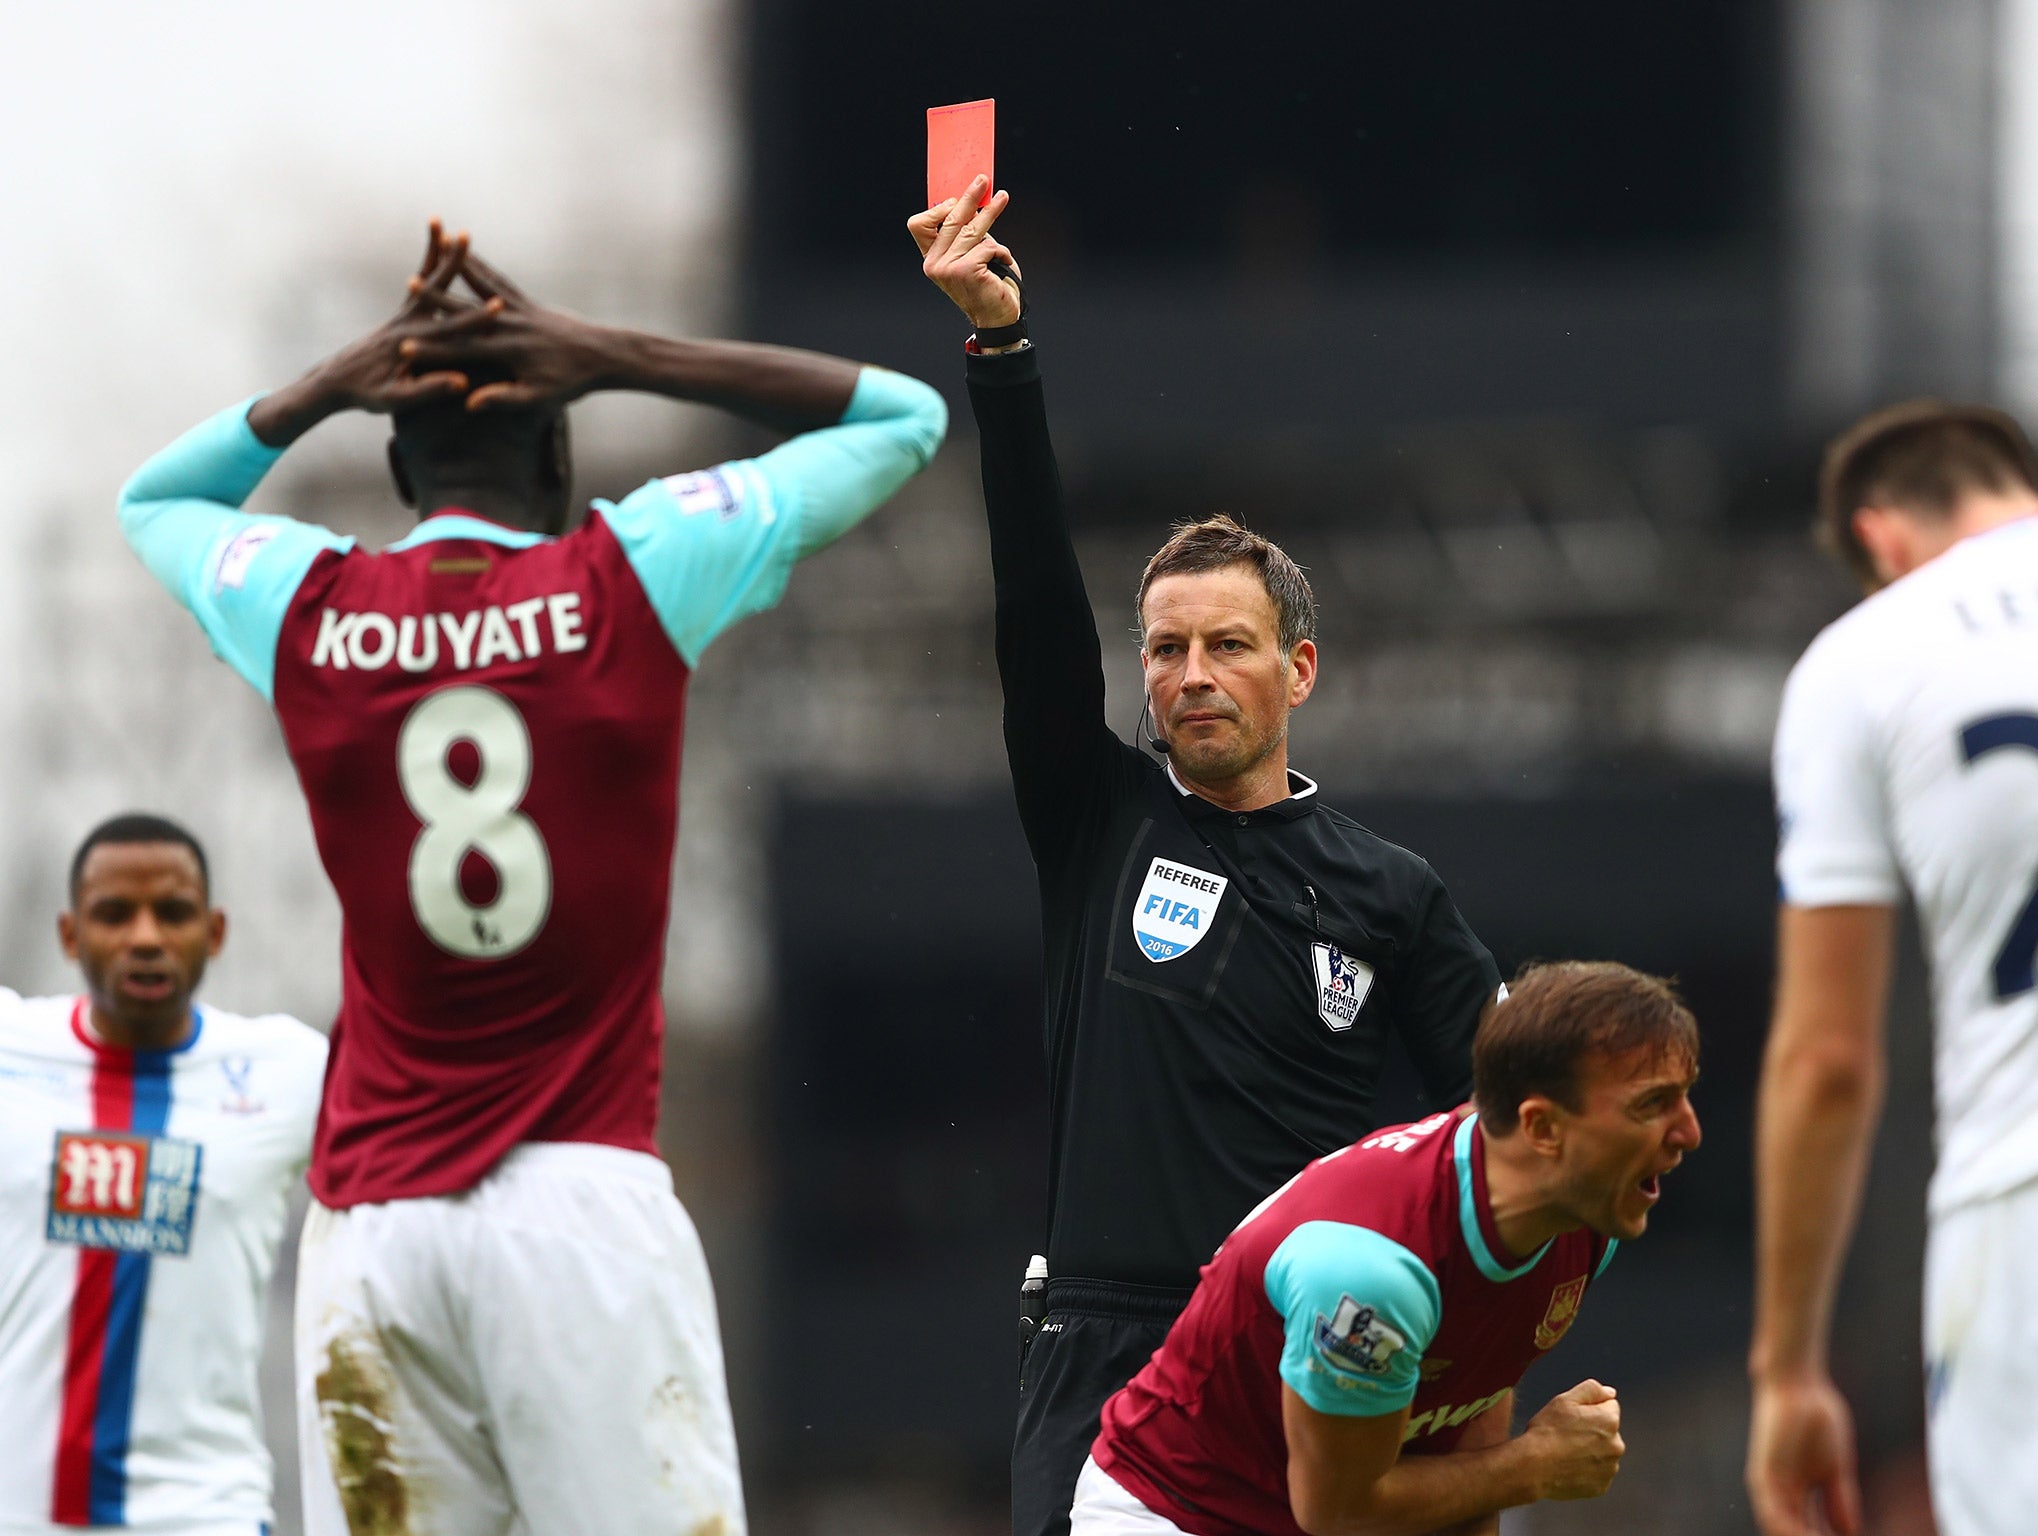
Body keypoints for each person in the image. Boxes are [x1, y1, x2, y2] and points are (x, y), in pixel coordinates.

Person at [117, 227, 948, 1536]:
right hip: (579, 1214)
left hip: (375, 1233)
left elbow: (155, 505)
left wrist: (333, 379)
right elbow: (904, 416)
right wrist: (607, 352)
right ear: (560, 455)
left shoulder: (310, 603)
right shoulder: (632, 573)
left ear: (395, 462)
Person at [910, 181, 1505, 1536]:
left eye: (1227, 645)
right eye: (1166, 648)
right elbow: (1038, 615)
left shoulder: (1389, 892)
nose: (1190, 675)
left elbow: (1505, 1127)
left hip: (1285, 1340)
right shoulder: (1098, 818)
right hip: (1099, 1343)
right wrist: (1003, 354)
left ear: (1298, 669)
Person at [1072, 960, 1700, 1535]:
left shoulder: (1583, 1216)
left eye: (1685, 1096)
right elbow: (1339, 1511)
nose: (1689, 1133)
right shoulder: (1373, 1271)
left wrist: (1508, 1469)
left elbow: (1472, 1400)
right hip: (1175, 1515)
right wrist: (1534, 1466)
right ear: (1541, 1127)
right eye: (1652, 1105)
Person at [1748, 400, 2038, 1536]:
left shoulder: (1863, 660)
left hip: (2014, 1210)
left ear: (1876, 539)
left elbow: (1825, 1061)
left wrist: (1786, 1371)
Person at [0, 814, 328, 1536]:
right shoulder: (10, 1050)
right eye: (115, 914)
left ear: (214, 932)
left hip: (206, 1515)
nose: (145, 937)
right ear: (69, 934)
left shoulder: (292, 1072)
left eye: (172, 913)